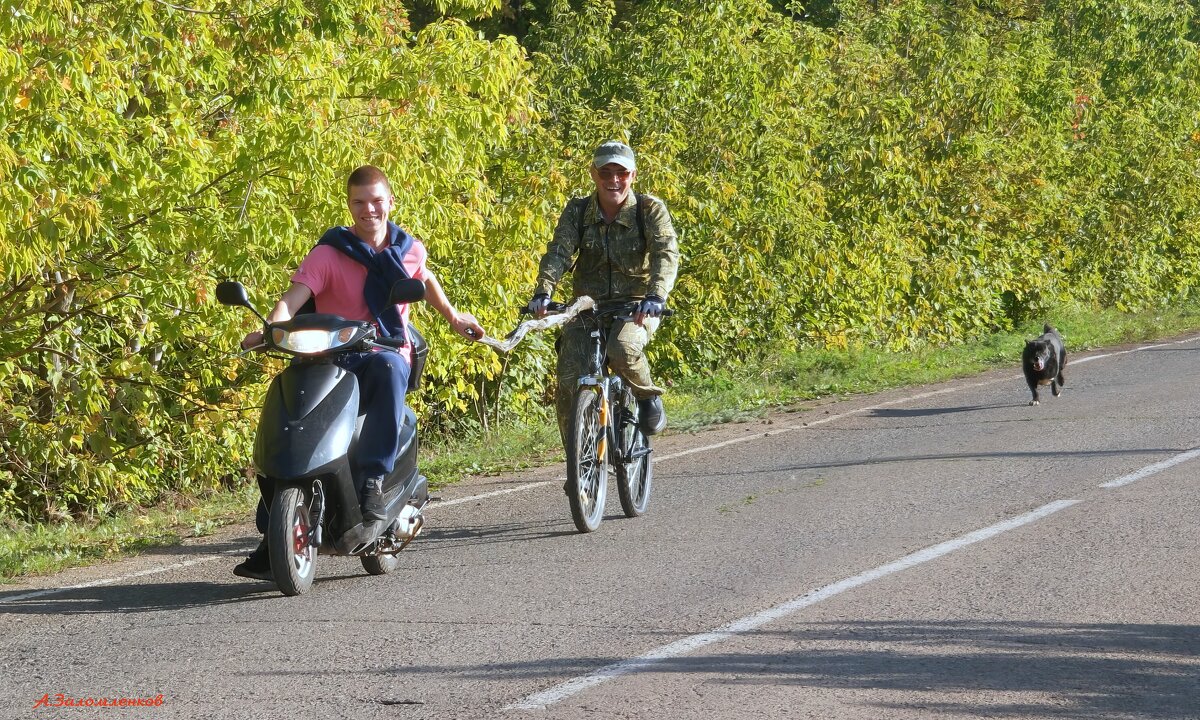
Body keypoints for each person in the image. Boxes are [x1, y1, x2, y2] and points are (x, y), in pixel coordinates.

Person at [233, 165, 484, 580]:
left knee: (389, 367)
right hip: (330, 352)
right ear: (349, 205)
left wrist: (455, 317)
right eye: (359, 202)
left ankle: (372, 480)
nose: (368, 209)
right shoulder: (329, 253)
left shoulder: (408, 248)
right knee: (288, 395)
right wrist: (268, 330)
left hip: (380, 350)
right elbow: (291, 301)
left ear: (390, 202)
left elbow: (425, 278)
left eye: (376, 200)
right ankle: (274, 524)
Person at [527, 140, 680, 448]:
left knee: (622, 348)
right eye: (606, 172)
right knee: (570, 380)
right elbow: (558, 252)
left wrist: (656, 296)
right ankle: (579, 468)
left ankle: (646, 395)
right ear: (593, 174)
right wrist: (543, 292)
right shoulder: (578, 211)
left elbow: (666, 253)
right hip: (587, 308)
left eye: (621, 173)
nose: (614, 180)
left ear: (633, 175)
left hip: (637, 307)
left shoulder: (649, 210)